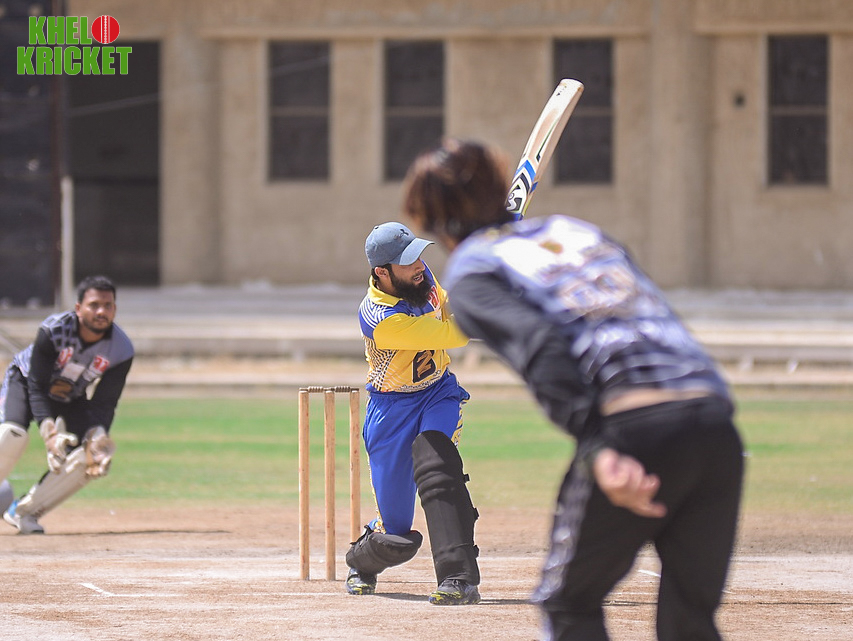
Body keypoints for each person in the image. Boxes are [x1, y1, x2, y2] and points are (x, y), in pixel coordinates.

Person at [401, 138, 744, 639]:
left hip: (634, 430)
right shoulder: (576, 231)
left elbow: (542, 346)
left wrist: (600, 448)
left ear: (434, 222)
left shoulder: (474, 272)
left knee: (568, 604)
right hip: (714, 421)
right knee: (689, 617)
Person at [345, 221, 481, 605]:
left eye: (419, 255)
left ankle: (458, 578)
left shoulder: (419, 279)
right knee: (397, 536)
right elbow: (454, 333)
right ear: (382, 273)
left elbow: (446, 303)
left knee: (437, 463)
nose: (419, 265)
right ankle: (361, 562)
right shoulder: (380, 317)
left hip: (437, 392)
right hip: (391, 411)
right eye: (407, 262)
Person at [0, 275, 134, 534]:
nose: (101, 312)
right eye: (94, 305)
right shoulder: (54, 330)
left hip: (70, 395)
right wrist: (49, 434)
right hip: (26, 382)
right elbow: (37, 386)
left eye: (107, 306)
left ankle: (24, 512)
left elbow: (105, 402)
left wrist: (98, 434)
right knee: (12, 435)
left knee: (91, 455)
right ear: (78, 308)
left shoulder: (122, 349)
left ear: (115, 309)